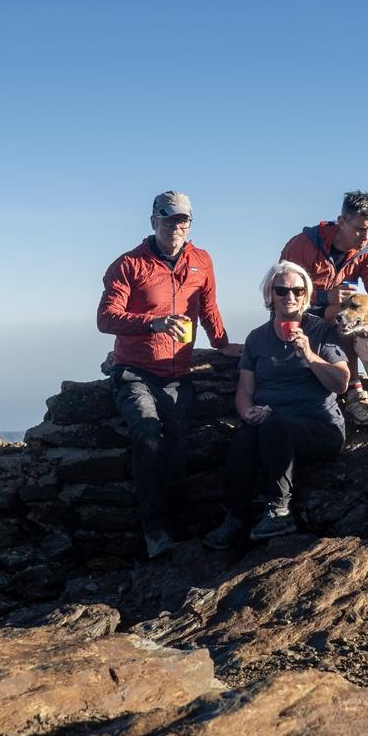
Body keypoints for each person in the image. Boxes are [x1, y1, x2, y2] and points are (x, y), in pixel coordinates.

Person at [98, 191, 240, 559]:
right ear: (153, 221)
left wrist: (223, 344)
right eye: (168, 218)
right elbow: (105, 318)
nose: (176, 226)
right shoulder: (129, 265)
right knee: (148, 433)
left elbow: (207, 307)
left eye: (183, 220)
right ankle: (156, 532)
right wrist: (153, 323)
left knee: (176, 448)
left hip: (179, 373)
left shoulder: (201, 261)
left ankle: (178, 528)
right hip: (135, 372)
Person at [203, 261, 349, 548]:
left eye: (297, 290)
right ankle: (234, 517)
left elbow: (341, 382)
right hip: (273, 425)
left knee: (276, 428)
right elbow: (245, 389)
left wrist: (309, 354)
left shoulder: (321, 332)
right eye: (282, 290)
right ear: (270, 295)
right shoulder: (257, 338)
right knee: (243, 440)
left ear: (306, 295)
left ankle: (280, 510)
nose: (290, 296)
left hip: (320, 428)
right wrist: (247, 412)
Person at [279, 191, 368, 425]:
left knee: (354, 319)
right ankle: (354, 394)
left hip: (337, 317)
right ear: (341, 221)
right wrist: (323, 296)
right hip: (300, 316)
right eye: (360, 229)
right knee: (344, 318)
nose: (366, 235)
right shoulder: (304, 244)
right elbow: (281, 291)